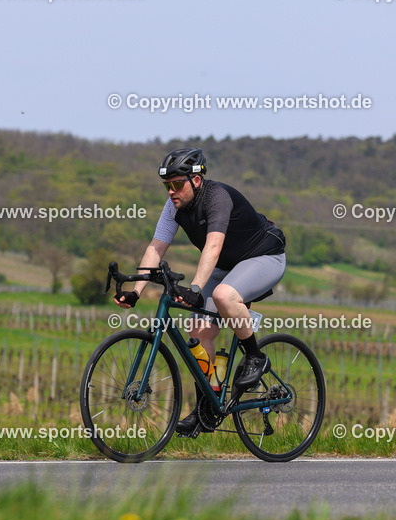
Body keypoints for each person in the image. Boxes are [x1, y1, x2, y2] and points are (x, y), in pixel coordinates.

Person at [113, 148, 286, 436]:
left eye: (177, 184)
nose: (171, 191)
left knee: (224, 295)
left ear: (196, 180)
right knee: (198, 333)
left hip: (264, 256)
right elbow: (155, 249)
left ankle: (255, 355)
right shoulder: (174, 208)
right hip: (227, 265)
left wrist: (195, 289)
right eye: (167, 185)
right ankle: (207, 408)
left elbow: (213, 246)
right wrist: (136, 291)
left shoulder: (217, 198)